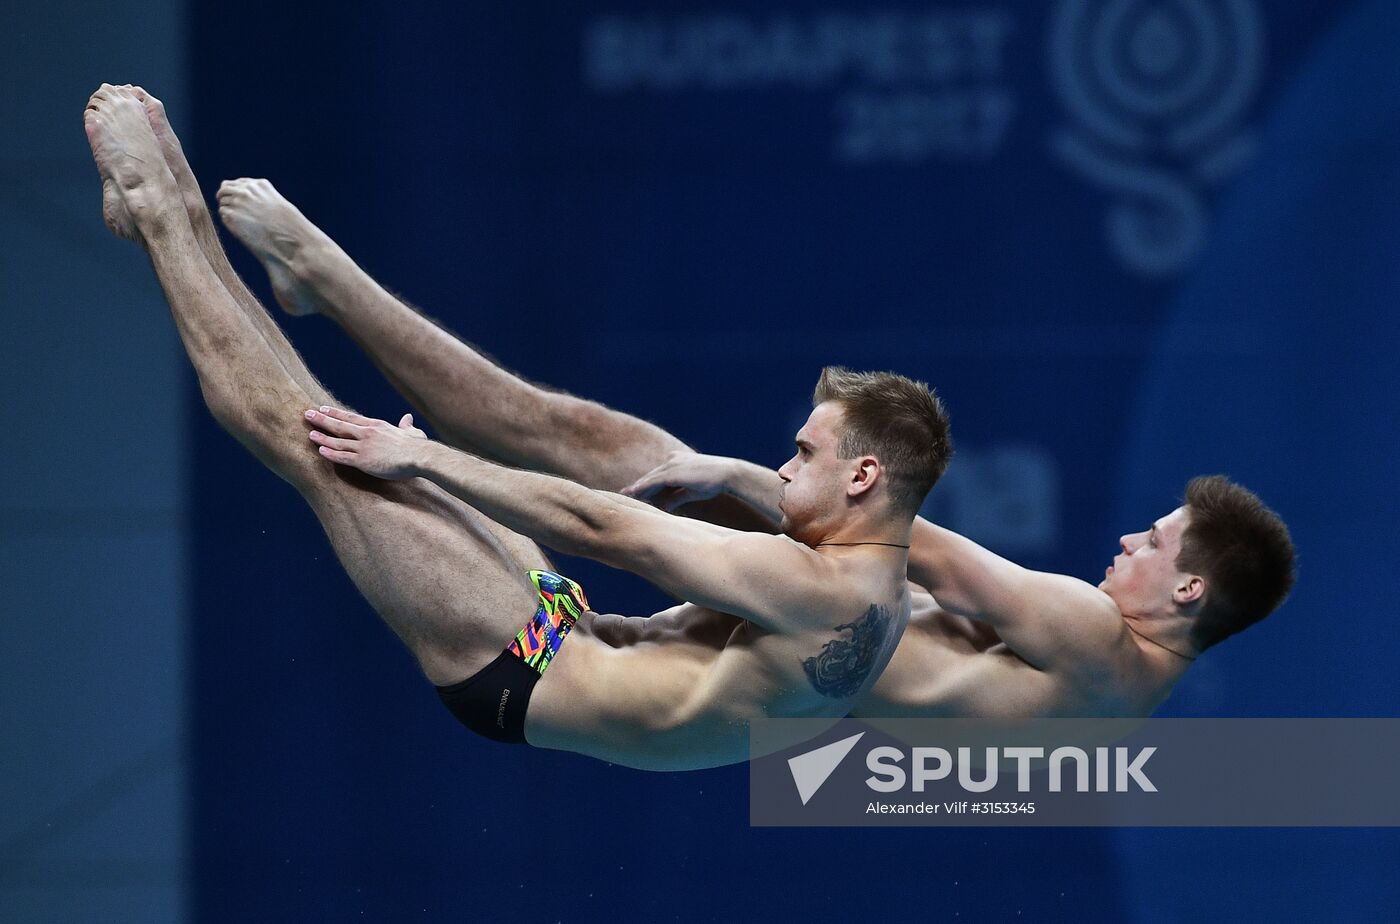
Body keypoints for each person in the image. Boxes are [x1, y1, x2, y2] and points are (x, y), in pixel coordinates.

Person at [214, 167, 1298, 722]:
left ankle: (330, 282)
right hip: (792, 652)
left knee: (572, 443)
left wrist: (736, 479)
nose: (1128, 536)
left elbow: (916, 549)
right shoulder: (1123, 700)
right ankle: (327, 288)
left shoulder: (1086, 630)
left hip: (803, 617)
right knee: (581, 443)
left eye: (1156, 538)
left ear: (1191, 589)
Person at [83, 84, 953, 770]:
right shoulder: (888, 588)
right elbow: (798, 523)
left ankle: (165, 213)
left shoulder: (812, 587)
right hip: (561, 629)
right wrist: (730, 474)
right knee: (342, 432)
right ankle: (186, 228)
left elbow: (597, 525)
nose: (784, 466)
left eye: (802, 452)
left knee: (322, 451)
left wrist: (425, 458)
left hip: (517, 668)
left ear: (864, 477)